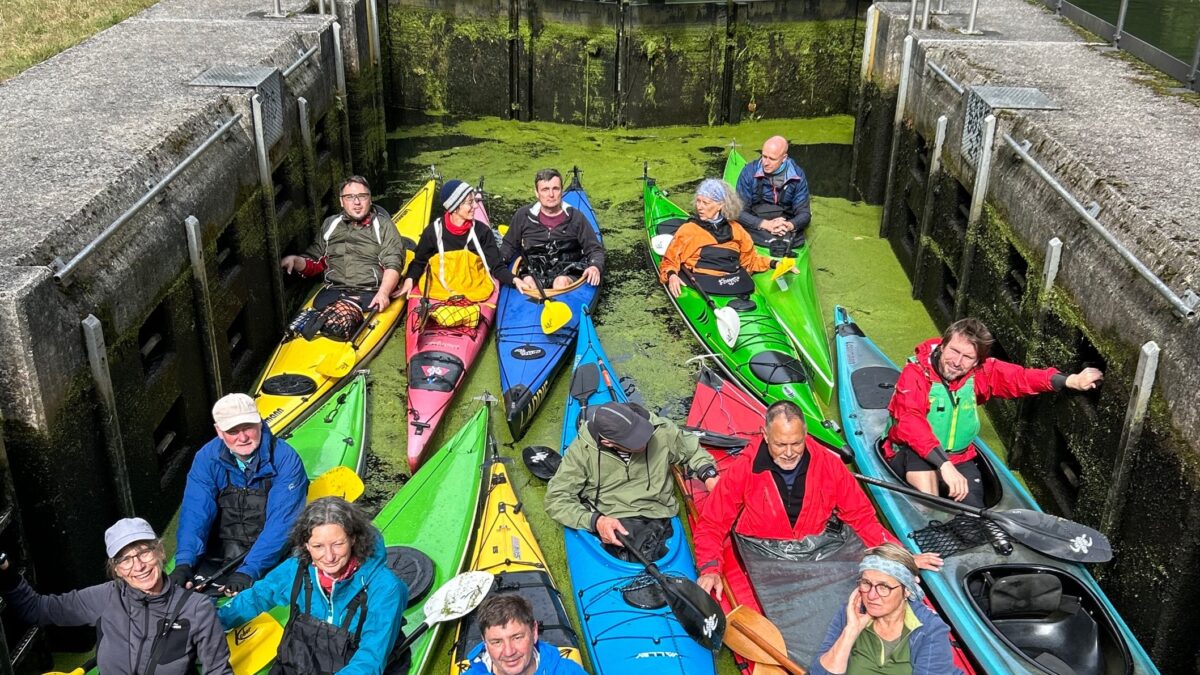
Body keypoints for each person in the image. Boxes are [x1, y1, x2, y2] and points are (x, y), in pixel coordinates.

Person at [694, 401, 941, 599]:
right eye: (781, 444)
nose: (789, 453)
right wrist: (710, 568)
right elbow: (713, 523)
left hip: (816, 548)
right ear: (765, 436)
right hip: (763, 551)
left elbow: (862, 518)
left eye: (796, 443)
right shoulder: (743, 469)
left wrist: (901, 556)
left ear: (805, 434)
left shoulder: (830, 465)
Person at [884, 318, 1103, 508]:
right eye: (954, 351)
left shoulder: (981, 373)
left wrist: (1069, 380)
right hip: (912, 453)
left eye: (967, 357)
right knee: (926, 501)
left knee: (973, 521)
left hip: (959, 458)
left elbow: (1020, 378)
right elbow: (910, 421)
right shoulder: (915, 374)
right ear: (942, 346)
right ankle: (926, 510)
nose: (957, 362)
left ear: (977, 362)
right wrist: (944, 465)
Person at [0, 518, 233, 675]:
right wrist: (6, 570)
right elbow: (36, 610)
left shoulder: (197, 608)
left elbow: (218, 671)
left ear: (160, 552)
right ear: (116, 569)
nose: (138, 565)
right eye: (125, 559)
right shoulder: (105, 597)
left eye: (144, 552)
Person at [218, 496, 408, 674]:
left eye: (338, 544)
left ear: (353, 539)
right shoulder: (295, 568)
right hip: (301, 662)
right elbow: (256, 597)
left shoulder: (387, 589)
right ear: (306, 546)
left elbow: (370, 659)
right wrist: (211, 622)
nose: (329, 556)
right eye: (318, 546)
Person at [170, 393, 308, 595]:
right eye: (233, 431)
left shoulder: (286, 460)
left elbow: (282, 522)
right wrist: (184, 561)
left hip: (267, 551)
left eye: (248, 428)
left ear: (260, 423)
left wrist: (249, 570)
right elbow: (195, 513)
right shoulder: (206, 459)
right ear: (219, 431)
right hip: (220, 549)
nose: (242, 438)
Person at [545, 402, 718, 562]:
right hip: (610, 515)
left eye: (642, 434)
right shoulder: (581, 451)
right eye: (634, 442)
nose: (644, 441)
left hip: (658, 512)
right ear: (608, 442)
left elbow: (692, 450)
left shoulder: (660, 429)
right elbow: (556, 499)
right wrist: (595, 521)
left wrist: (709, 475)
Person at [280, 175, 405, 339]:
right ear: (341, 201)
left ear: (370, 199)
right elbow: (316, 261)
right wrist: (296, 261)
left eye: (362, 196)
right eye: (350, 197)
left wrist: (383, 292)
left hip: (370, 293)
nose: (357, 202)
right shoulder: (331, 224)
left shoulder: (384, 226)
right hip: (334, 292)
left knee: (341, 327)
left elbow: (393, 263)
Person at [811, 543, 963, 675]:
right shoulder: (849, 615)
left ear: (907, 590)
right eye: (866, 583)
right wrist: (850, 632)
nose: (871, 595)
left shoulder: (929, 629)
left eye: (884, 587)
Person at [658, 178, 787, 298]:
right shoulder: (689, 230)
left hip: (734, 281)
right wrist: (672, 275)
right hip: (702, 280)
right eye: (698, 201)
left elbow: (750, 261)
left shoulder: (737, 229)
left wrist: (775, 263)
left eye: (705, 203)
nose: (699, 207)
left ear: (720, 205)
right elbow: (669, 261)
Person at [399, 179, 516, 303]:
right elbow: (419, 261)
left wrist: (514, 280)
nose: (475, 206)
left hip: (474, 289)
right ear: (454, 207)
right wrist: (410, 279)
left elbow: (496, 266)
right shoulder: (433, 232)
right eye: (470, 202)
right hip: (440, 290)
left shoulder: (483, 232)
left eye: (475, 201)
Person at [500, 168, 604, 292]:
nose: (551, 194)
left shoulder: (576, 218)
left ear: (561, 191)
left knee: (560, 283)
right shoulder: (523, 216)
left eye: (555, 189)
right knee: (529, 283)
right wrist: (497, 266)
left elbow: (595, 249)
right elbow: (508, 246)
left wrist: (595, 266)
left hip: (568, 271)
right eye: (545, 189)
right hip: (534, 270)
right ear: (537, 193)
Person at [463, 594, 586, 675]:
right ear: (484, 641)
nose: (509, 652)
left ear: (534, 632)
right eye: (497, 642)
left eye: (517, 637)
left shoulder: (569, 672)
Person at [734, 135, 812, 253]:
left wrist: (789, 225)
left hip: (784, 224)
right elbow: (738, 212)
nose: (766, 162)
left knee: (797, 235)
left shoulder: (797, 176)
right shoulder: (748, 173)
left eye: (772, 159)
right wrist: (766, 225)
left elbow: (804, 213)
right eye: (764, 156)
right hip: (758, 222)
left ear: (784, 158)